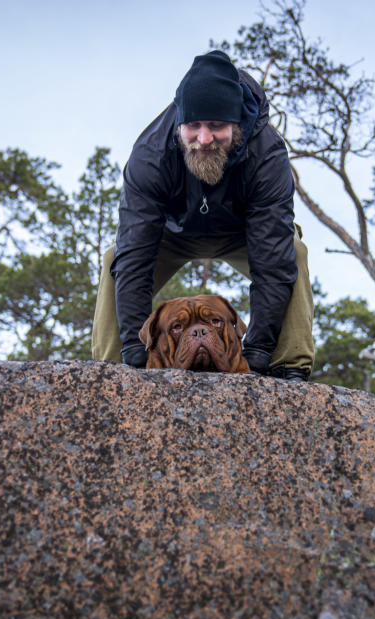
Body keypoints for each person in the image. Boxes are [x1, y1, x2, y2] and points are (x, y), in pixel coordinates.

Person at [91, 50, 314, 381]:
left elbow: (272, 261)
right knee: (117, 258)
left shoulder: (267, 155)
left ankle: (290, 366)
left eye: (217, 126)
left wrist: (257, 352)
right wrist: (136, 354)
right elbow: (135, 256)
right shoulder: (150, 155)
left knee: (292, 252)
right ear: (180, 123)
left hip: (243, 233)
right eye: (193, 126)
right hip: (172, 234)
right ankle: (112, 372)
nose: (204, 138)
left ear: (236, 122)